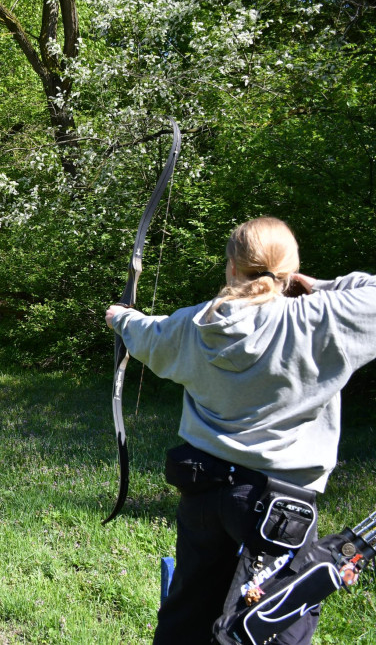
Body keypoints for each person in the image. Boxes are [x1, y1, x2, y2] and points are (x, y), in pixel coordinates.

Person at [104, 216, 376, 644]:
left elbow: (145, 331)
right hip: (278, 505)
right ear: (291, 270)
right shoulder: (320, 318)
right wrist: (315, 285)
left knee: (189, 612)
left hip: (204, 490)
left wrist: (119, 316)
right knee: (269, 624)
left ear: (231, 267)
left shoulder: (194, 324)